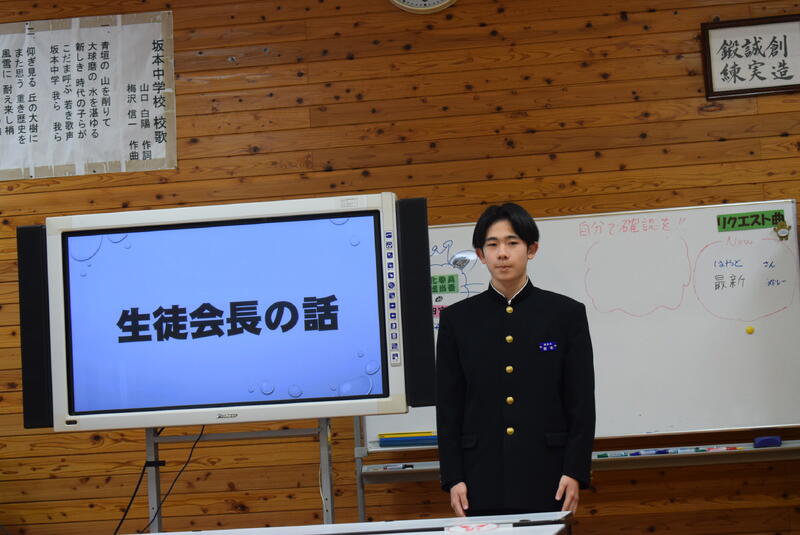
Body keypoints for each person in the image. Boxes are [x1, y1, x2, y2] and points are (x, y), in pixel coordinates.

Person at [435, 202, 595, 517]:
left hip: (549, 474)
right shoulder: (458, 320)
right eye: (492, 245)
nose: (502, 254)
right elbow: (449, 405)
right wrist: (453, 477)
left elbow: (580, 402)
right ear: (480, 255)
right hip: (479, 477)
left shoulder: (565, 315)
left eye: (512, 243)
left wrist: (574, 470)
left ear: (531, 249)